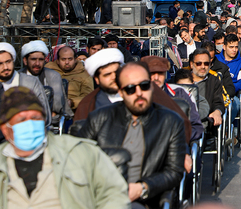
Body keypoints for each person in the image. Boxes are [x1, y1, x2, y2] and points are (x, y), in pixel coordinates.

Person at [0, 87, 130, 208]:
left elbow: (114, 194)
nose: (30, 124)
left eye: (36, 118)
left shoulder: (79, 152)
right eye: (21, 119)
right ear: (5, 129)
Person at [77, 62, 186, 208]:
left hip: (141, 200)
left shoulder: (171, 122)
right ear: (121, 92)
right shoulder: (99, 118)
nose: (139, 92)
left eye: (144, 85)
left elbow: (173, 172)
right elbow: (78, 161)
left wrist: (143, 187)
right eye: (130, 89)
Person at [0, 42, 52, 128]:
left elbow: (44, 115)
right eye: (0, 64)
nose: (5, 67)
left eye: (8, 62)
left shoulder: (30, 82)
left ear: (13, 60)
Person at [19, 40, 73, 122]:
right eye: (33, 59)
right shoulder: (17, 77)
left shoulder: (53, 76)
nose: (37, 63)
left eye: (41, 59)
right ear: (25, 61)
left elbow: (57, 106)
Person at [45, 46, 93, 111]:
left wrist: (72, 102)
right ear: (58, 61)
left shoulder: (84, 73)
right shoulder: (48, 70)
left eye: (70, 59)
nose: (67, 62)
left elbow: (88, 96)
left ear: (75, 60)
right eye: (63, 59)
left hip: (74, 111)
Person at [190, 49, 225, 127]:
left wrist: (217, 112)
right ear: (191, 64)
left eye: (206, 63)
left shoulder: (214, 81)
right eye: (199, 63)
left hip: (203, 122)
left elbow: (218, 102)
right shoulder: (182, 80)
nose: (203, 67)